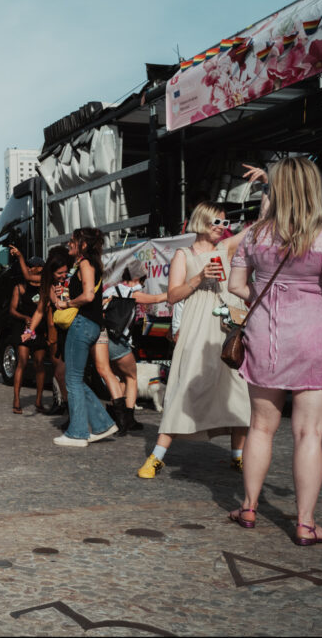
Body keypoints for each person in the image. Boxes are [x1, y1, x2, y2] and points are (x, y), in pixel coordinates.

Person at [226, 159, 322, 545]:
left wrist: (271, 295)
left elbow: (237, 287)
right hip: (317, 341)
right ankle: (306, 524)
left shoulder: (253, 236)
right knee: (309, 432)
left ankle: (248, 507)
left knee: (261, 428)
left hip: (268, 339)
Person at [136, 200, 262, 478]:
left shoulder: (225, 248)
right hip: (196, 328)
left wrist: (269, 187)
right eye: (216, 222)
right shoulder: (184, 254)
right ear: (201, 221)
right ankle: (157, 456)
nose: (222, 228)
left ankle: (237, 456)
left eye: (225, 223)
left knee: (237, 390)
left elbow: (258, 225)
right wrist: (200, 277)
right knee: (184, 387)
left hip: (226, 328)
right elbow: (172, 296)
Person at [43, 228, 118, 447]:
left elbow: (88, 295)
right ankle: (102, 423)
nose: (69, 243)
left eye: (73, 240)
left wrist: (66, 303)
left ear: (83, 244)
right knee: (75, 378)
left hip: (83, 322)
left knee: (72, 379)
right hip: (92, 324)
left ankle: (77, 433)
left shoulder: (85, 264)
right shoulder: (89, 264)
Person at [101, 271, 167, 434]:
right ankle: (127, 419)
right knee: (132, 377)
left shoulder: (110, 290)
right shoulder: (129, 292)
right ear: (136, 279)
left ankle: (117, 415)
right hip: (118, 340)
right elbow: (157, 299)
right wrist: (182, 288)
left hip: (103, 339)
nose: (142, 287)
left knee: (121, 377)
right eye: (142, 283)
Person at [25, 246, 74, 422]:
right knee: (61, 373)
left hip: (75, 329)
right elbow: (39, 311)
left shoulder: (73, 280)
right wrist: (30, 331)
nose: (63, 275)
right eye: (59, 273)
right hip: (58, 330)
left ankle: (74, 413)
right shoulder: (49, 285)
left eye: (65, 272)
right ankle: (68, 409)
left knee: (68, 374)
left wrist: (67, 299)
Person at [9, 256, 48, 415]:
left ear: (41, 268)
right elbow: (12, 309)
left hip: (39, 328)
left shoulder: (45, 287)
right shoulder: (20, 287)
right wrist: (24, 318)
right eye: (29, 266)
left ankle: (39, 401)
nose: (31, 268)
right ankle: (16, 400)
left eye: (34, 266)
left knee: (39, 363)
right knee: (22, 362)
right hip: (23, 327)